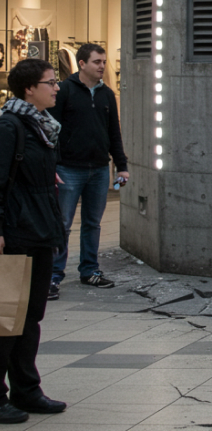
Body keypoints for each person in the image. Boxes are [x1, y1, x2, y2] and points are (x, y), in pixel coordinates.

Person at [0, 59, 68, 423]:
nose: (56, 88)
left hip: (40, 231)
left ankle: (27, 391)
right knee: (6, 318)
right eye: (50, 82)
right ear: (29, 89)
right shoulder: (9, 126)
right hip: (16, 233)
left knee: (30, 317)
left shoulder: (42, 127)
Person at [47, 44, 128, 297]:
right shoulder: (64, 90)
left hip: (99, 169)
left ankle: (90, 270)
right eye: (97, 62)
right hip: (68, 169)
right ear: (81, 64)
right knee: (62, 224)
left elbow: (113, 132)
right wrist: (51, 165)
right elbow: (51, 131)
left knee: (93, 223)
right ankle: (53, 275)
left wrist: (122, 166)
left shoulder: (107, 94)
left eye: (103, 61)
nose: (102, 66)